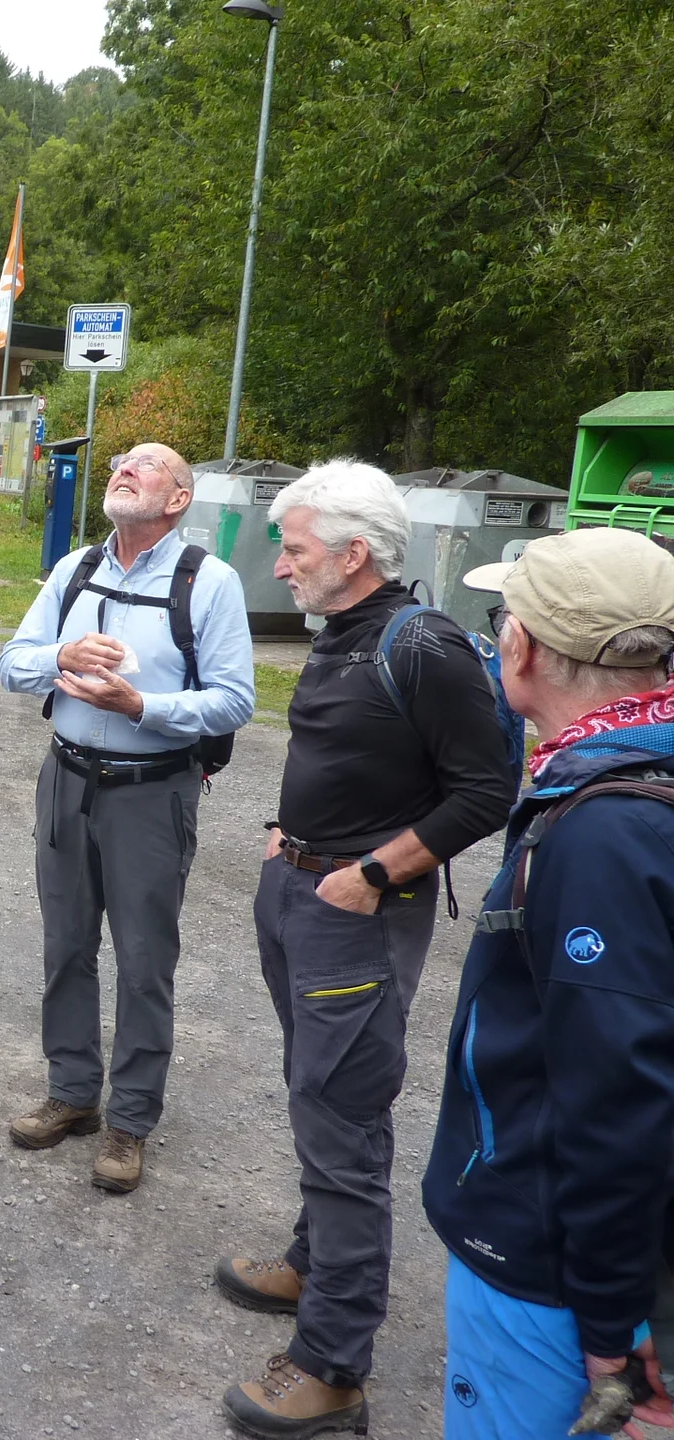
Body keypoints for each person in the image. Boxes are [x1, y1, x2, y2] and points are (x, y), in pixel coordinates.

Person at [217, 461, 516, 1437]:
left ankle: (334, 1364)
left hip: (356, 912)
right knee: (317, 1090)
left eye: (295, 546)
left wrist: (374, 873)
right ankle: (314, 1260)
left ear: (353, 554)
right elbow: (353, 764)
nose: (280, 559)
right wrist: (288, 838)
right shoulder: (345, 630)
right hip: (301, 889)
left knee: (343, 1124)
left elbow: (484, 791)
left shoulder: (420, 643)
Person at [422, 529, 674, 1439]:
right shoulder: (644, 766)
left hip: (545, 1266)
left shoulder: (606, 830)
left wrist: (611, 1327)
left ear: (521, 646)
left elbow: (617, 1094)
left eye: (501, 621)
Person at [0, 442, 253, 1192]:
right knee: (65, 945)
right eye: (121, 461)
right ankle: (72, 1093)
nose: (124, 466)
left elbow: (237, 699)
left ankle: (131, 1120)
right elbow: (13, 661)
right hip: (67, 779)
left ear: (178, 498)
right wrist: (62, 656)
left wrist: (142, 705)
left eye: (146, 463)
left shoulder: (210, 581)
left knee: (144, 961)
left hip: (153, 788)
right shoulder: (78, 569)